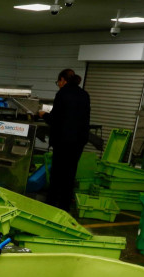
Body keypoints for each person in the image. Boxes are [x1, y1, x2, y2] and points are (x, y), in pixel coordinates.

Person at [39, 68, 90, 212]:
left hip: (63, 141)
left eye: (58, 82)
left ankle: (51, 204)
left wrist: (43, 114)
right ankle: (64, 206)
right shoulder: (84, 94)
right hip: (78, 141)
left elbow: (55, 119)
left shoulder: (62, 94)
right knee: (70, 173)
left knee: (57, 174)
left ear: (63, 80)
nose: (58, 84)